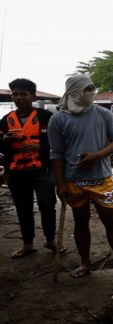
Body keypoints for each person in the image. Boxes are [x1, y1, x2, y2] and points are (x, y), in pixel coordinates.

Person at [48, 74, 113, 278]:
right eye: (86, 89)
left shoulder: (104, 115)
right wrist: (60, 184)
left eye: (92, 89)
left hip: (101, 179)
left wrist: (97, 155)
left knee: (111, 221)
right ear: (73, 91)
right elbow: (56, 155)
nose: (91, 93)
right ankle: (85, 262)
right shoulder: (58, 119)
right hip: (73, 181)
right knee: (81, 221)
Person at [0, 78, 60, 258]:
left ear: (33, 96)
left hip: (42, 170)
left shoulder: (46, 117)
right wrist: (5, 141)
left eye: (23, 94)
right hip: (17, 172)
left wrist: (40, 146)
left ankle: (51, 241)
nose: (18, 98)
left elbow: (58, 142)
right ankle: (28, 244)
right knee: (22, 208)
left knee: (47, 205)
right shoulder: (6, 120)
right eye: (15, 94)